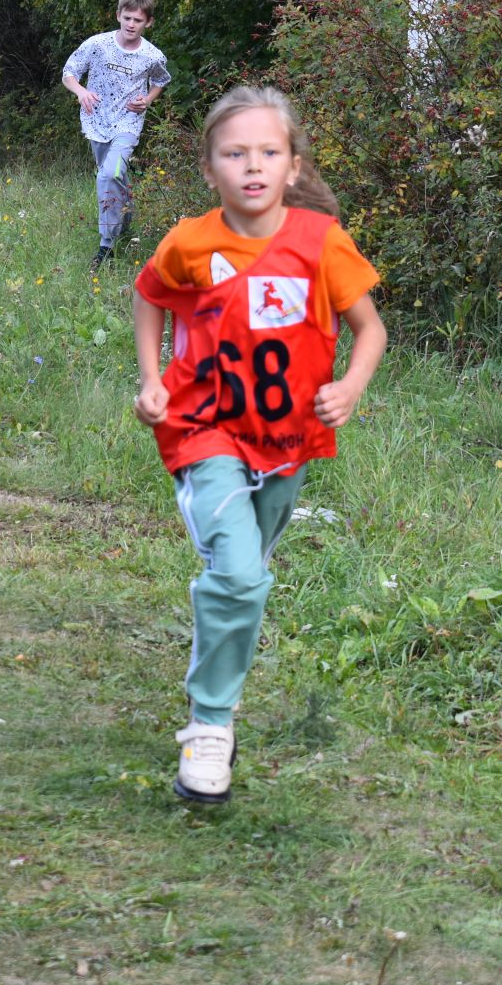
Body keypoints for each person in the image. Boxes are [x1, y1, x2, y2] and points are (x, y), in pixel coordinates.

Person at [131, 85, 387, 805]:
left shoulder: (320, 244)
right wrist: (152, 379)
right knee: (241, 577)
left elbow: (370, 329)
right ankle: (211, 725)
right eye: (234, 153)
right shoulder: (190, 242)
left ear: (294, 165)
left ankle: (236, 574)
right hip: (201, 429)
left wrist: (352, 387)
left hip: (289, 442)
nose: (252, 166)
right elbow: (150, 296)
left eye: (268, 152)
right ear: (209, 169)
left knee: (249, 568)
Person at [63, 0, 172, 270]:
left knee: (108, 175)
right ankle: (125, 221)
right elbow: (69, 73)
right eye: (127, 18)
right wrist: (81, 92)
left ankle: (106, 245)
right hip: (96, 121)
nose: (131, 25)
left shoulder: (152, 56)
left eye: (138, 20)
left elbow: (161, 79)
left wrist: (147, 100)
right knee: (112, 176)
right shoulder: (97, 44)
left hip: (128, 123)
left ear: (148, 22)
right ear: (118, 16)